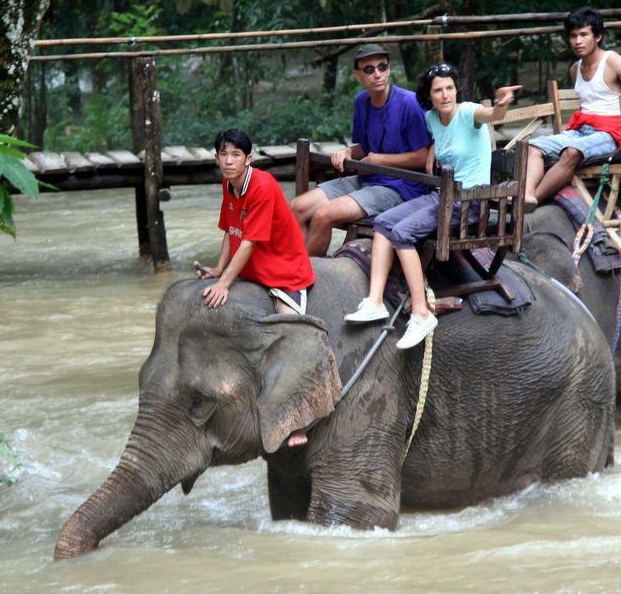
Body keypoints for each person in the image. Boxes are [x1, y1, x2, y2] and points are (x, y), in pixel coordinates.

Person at [344, 63, 521, 349]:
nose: (445, 94)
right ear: (429, 95)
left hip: (469, 202)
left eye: (449, 88)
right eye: (438, 90)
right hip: (442, 195)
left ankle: (421, 311)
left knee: (402, 233)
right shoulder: (430, 118)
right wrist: (430, 149)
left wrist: (501, 104)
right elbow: (428, 138)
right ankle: (375, 301)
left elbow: (492, 115)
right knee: (383, 223)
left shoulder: (468, 112)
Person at [199, 128, 315, 446]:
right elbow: (230, 230)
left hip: (283, 272)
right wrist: (219, 269)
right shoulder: (228, 184)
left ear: (248, 159)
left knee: (289, 340)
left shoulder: (262, 186)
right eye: (223, 154)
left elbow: (249, 242)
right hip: (251, 271)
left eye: (236, 154)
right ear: (216, 158)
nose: (228, 160)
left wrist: (225, 284)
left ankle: (297, 421)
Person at [290, 43, 433, 256]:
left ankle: (302, 279)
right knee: (296, 207)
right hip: (368, 179)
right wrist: (348, 152)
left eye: (382, 67)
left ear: (389, 69)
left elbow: (424, 156)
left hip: (402, 186)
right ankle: (297, 265)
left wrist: (379, 161)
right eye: (369, 69)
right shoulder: (362, 101)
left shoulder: (410, 103)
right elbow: (365, 146)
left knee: (323, 215)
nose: (377, 74)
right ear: (358, 75)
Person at [524, 6, 621, 208]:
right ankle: (526, 195)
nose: (577, 41)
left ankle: (533, 199)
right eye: (573, 36)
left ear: (597, 37)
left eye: (583, 35)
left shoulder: (615, 62)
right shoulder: (575, 70)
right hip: (583, 132)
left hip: (612, 134)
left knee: (571, 152)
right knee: (532, 147)